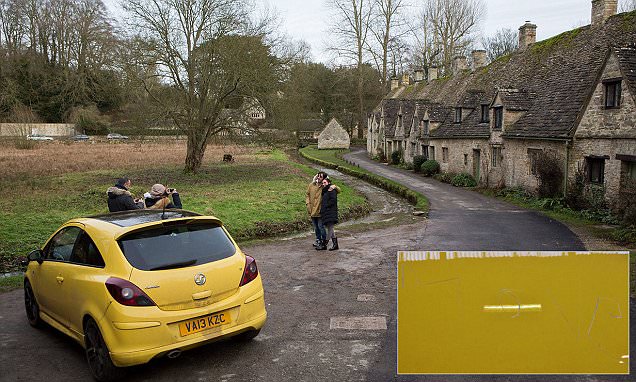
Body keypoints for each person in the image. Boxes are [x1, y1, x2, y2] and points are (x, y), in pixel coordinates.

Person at [306, 172, 327, 248]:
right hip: (311, 210)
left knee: (321, 226)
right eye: (318, 176)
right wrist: (308, 204)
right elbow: (307, 194)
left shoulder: (325, 186)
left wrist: (334, 186)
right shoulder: (311, 185)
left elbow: (338, 191)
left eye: (320, 177)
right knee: (315, 227)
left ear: (324, 178)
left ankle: (324, 241)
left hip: (320, 210)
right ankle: (318, 239)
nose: (318, 178)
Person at [318, 177, 339, 251]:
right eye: (323, 183)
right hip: (327, 212)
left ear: (329, 183)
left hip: (330, 211)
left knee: (330, 228)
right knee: (331, 228)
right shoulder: (325, 191)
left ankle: (324, 244)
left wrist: (326, 206)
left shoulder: (331, 190)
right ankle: (335, 245)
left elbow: (333, 200)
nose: (323, 184)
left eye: (325, 183)